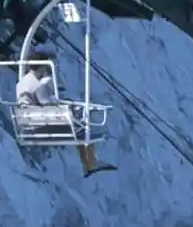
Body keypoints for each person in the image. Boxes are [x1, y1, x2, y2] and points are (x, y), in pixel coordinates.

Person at [13, 50, 117, 178]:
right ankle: (90, 163)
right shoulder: (38, 85)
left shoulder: (22, 83)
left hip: (26, 120)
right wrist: (66, 107)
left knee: (76, 125)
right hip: (38, 122)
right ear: (42, 66)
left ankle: (89, 164)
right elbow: (47, 104)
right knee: (81, 127)